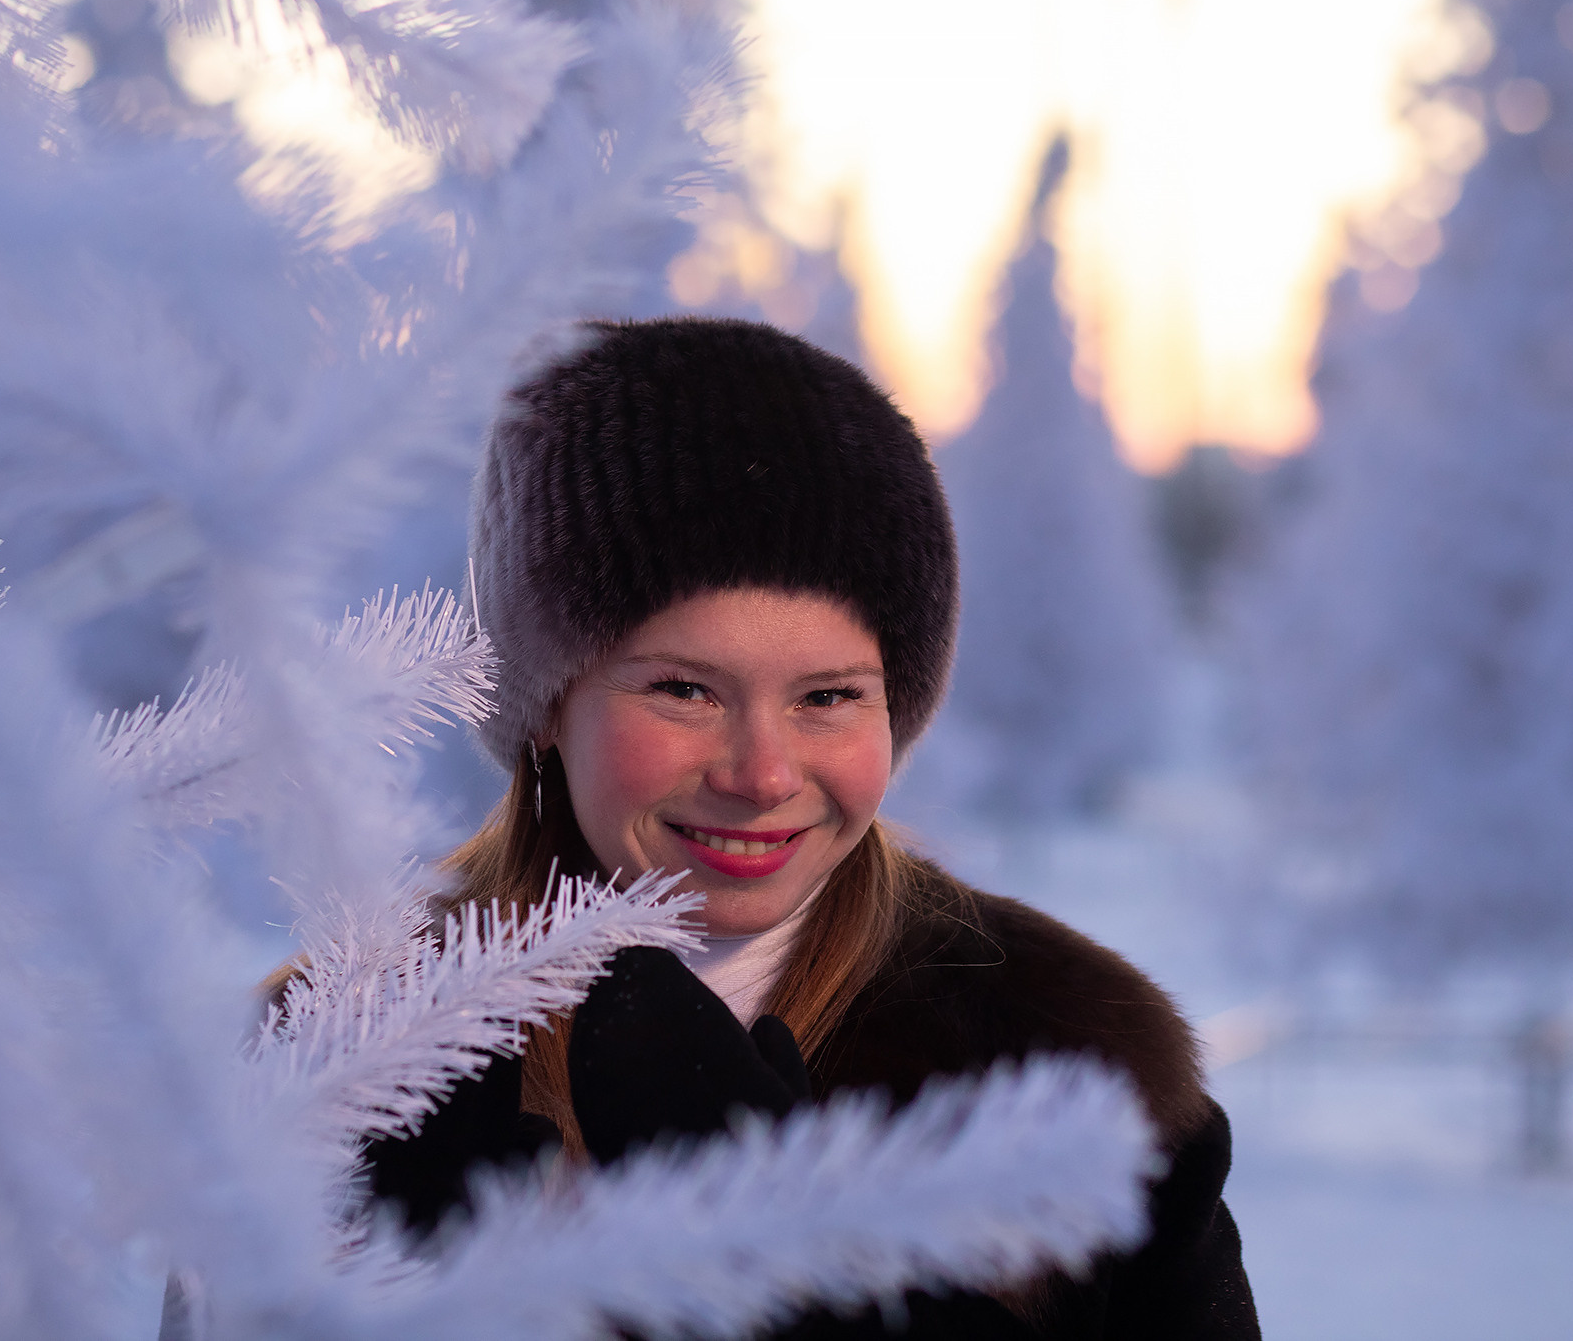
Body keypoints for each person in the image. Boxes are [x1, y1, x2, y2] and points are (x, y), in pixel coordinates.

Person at [364, 317, 1260, 1339]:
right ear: (544, 706)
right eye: (685, 689)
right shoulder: (345, 1072)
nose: (764, 774)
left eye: (828, 696)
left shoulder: (1074, 1082)